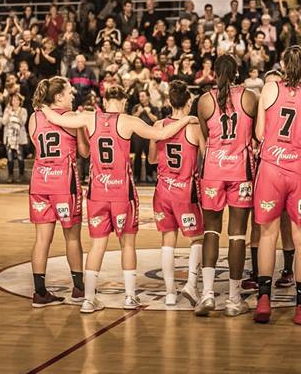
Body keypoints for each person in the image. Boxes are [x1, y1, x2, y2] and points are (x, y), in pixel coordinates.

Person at [41, 86, 194, 314]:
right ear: (122, 100)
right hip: (122, 193)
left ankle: (88, 299)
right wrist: (187, 120)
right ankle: (130, 297)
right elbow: (162, 134)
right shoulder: (128, 120)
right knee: (127, 244)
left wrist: (41, 104)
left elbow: (53, 116)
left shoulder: (89, 117)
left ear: (104, 99)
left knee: (97, 246)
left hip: (97, 193)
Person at [253, 45, 301, 325]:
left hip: (270, 168)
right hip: (298, 170)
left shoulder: (269, 89)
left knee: (267, 235)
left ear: (282, 64)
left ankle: (263, 300)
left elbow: (259, 133)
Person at [194, 54, 256, 318]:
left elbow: (206, 137)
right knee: (238, 235)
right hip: (240, 171)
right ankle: (233, 298)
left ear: (215, 74)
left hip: (212, 171)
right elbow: (255, 134)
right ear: (237, 72)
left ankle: (207, 294)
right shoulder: (250, 97)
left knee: (210, 232)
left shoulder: (204, 101)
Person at [27, 77, 87, 308]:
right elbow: (83, 152)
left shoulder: (34, 117)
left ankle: (40, 293)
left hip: (40, 181)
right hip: (64, 183)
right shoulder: (72, 118)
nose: (73, 96)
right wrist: (80, 130)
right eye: (69, 92)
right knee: (72, 237)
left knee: (42, 239)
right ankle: (79, 289)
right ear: (59, 97)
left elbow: (37, 145)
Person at [147, 80, 205, 306]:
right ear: (189, 101)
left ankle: (170, 293)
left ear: (169, 101)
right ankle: (191, 284)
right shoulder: (194, 126)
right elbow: (207, 155)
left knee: (167, 241)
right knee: (196, 238)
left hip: (162, 189)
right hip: (185, 190)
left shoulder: (159, 125)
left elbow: (152, 159)